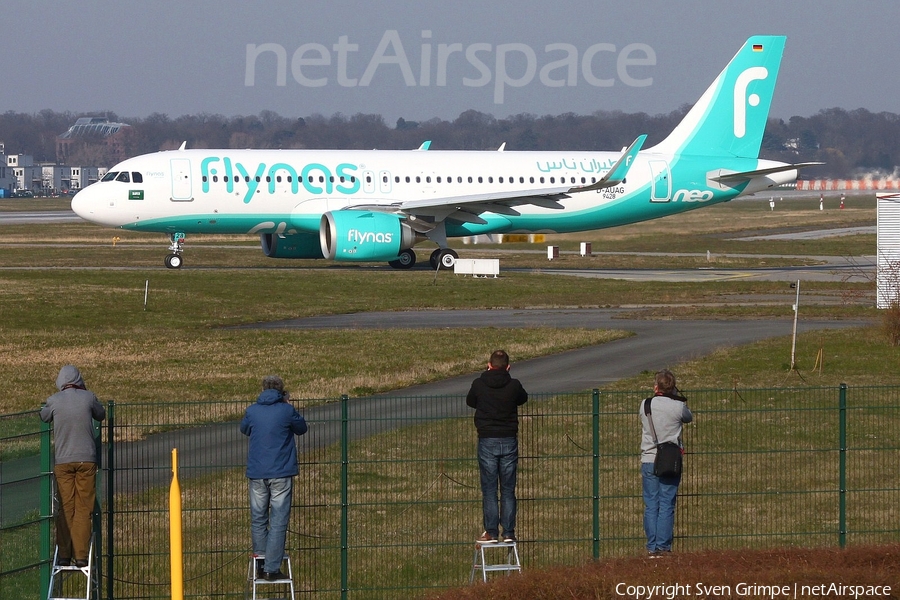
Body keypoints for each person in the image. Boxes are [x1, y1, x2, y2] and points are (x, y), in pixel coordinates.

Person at [240, 375, 308, 581]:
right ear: (282, 392)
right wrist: (287, 405)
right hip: (281, 472)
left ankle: (260, 564)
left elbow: (244, 429)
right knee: (278, 519)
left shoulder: (252, 410)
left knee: (259, 518)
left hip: (257, 472)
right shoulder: (286, 410)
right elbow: (302, 428)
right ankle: (271, 567)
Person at [40, 365, 106, 568]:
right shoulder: (88, 397)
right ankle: (81, 556)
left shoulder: (53, 400)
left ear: (60, 382)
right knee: (84, 508)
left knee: (66, 507)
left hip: (63, 461)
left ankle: (63, 555)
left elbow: (43, 416)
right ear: (79, 380)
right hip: (87, 460)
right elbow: (101, 414)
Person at [466, 349, 528, 544]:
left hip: (487, 440)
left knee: (490, 489)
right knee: (508, 489)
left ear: (489, 365)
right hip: (508, 439)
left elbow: (470, 402)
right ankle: (508, 532)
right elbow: (522, 399)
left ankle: (491, 531)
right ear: (508, 367)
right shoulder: (514, 385)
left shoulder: (479, 384)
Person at [639, 369, 692, 557]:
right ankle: (663, 547)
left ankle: (651, 547)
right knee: (667, 503)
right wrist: (676, 397)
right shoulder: (678, 407)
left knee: (651, 504)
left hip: (649, 458)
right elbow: (688, 417)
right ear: (673, 387)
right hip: (670, 459)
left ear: (656, 387)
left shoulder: (645, 405)